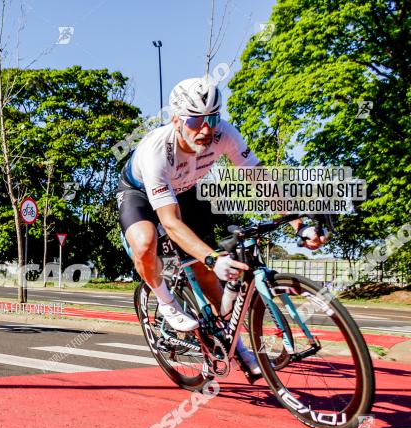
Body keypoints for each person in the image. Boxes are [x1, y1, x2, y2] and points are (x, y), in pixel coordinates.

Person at [116, 76, 327, 375]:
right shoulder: (157, 153)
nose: (205, 129)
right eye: (195, 121)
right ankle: (166, 302)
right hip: (138, 192)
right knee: (147, 243)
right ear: (176, 120)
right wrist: (212, 257)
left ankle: (233, 343)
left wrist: (297, 223)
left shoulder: (224, 134)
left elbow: (259, 179)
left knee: (206, 272)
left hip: (187, 191)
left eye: (212, 118)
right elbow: (171, 222)